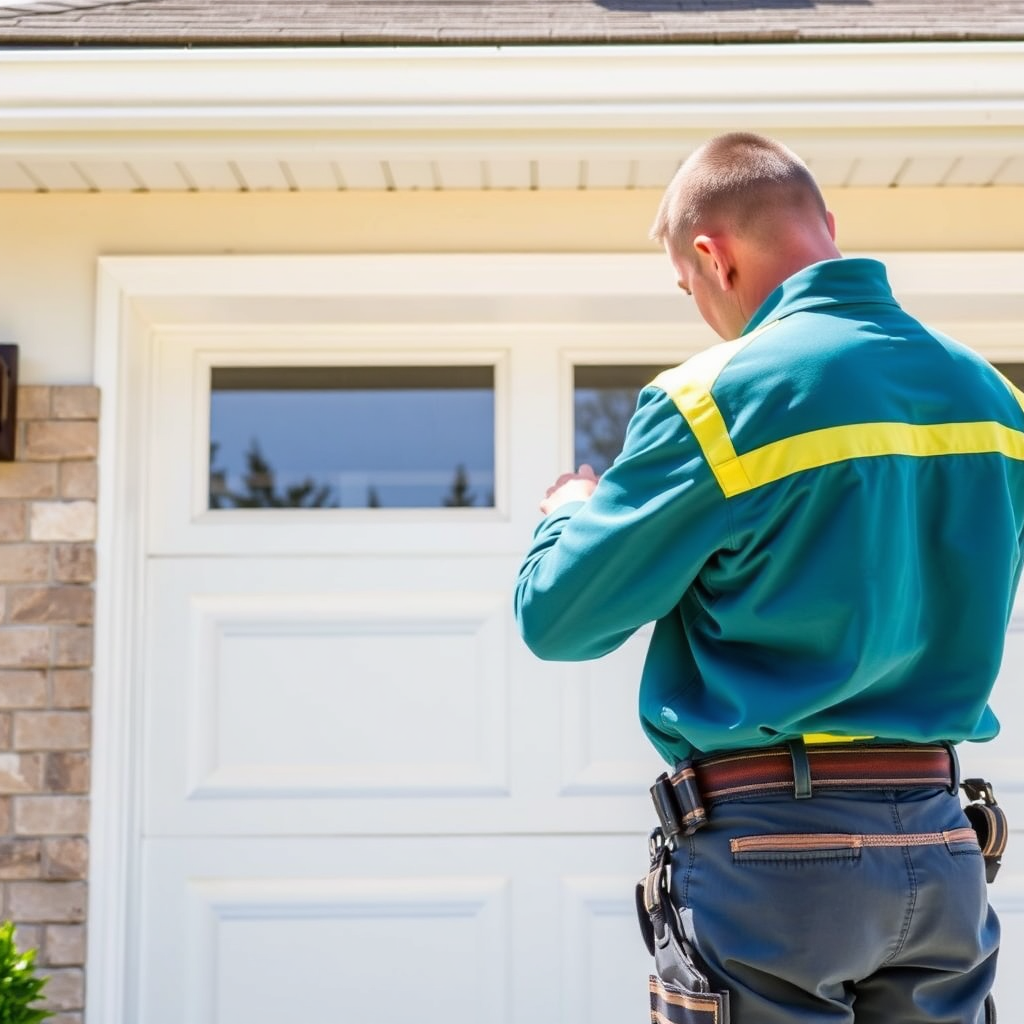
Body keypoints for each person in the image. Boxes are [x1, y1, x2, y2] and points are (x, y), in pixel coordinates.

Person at [514, 132, 1019, 1023]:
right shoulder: (994, 402)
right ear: (827, 224)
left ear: (712, 255)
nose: (701, 308)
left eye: (689, 286)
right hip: (943, 848)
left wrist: (571, 510)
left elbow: (560, 618)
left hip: (773, 860)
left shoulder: (715, 402)